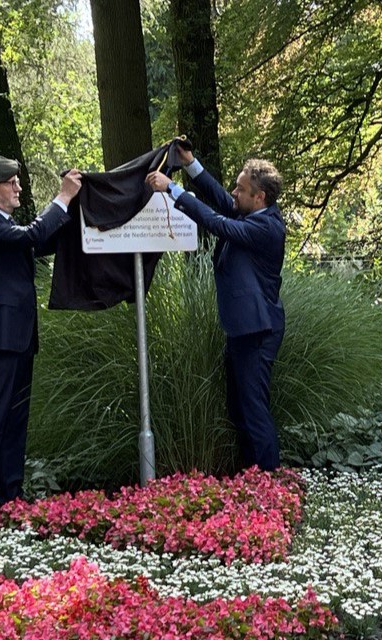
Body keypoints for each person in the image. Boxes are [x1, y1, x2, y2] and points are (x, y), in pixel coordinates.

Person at [0, 155, 82, 525]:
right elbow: (32, 236)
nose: (18, 188)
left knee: (15, 421)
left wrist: (75, 206)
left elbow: (41, 241)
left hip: (19, 336)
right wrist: (62, 197)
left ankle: (10, 501)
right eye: (11, 183)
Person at [145, 143, 287, 471]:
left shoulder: (267, 227)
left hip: (258, 331)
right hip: (243, 328)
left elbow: (218, 223)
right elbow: (222, 202)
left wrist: (174, 189)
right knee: (239, 411)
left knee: (253, 411)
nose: (233, 192)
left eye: (241, 188)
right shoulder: (251, 211)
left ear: (260, 197)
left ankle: (268, 484)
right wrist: (191, 165)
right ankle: (252, 479)